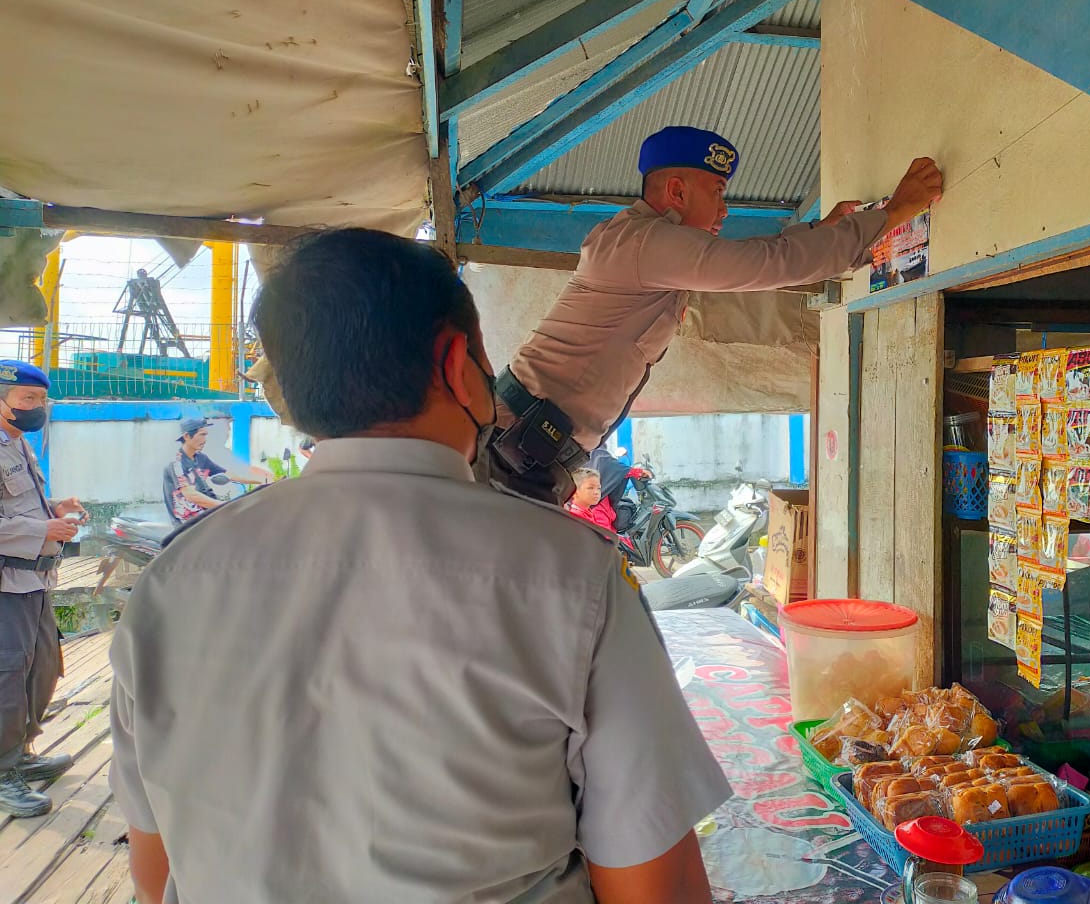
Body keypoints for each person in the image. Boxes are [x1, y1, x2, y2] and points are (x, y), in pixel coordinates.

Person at [110, 228, 729, 904]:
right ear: (458, 361)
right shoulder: (570, 575)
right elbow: (654, 889)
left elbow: (156, 871)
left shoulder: (171, 583)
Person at [477, 126, 943, 503]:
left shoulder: (648, 247)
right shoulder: (643, 243)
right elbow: (762, 264)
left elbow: (753, 258)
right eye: (717, 191)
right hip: (518, 449)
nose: (724, 209)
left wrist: (822, 230)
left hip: (533, 449)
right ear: (677, 190)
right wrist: (896, 211)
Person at [0, 360, 85, 817]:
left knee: (43, 666)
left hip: (35, 578)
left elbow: (19, 505)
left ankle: (22, 754)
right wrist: (44, 528)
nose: (35, 408)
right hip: (7, 583)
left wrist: (56, 508)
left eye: (39, 400)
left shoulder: (17, 445)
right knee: (7, 677)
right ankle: (2, 771)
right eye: (26, 400)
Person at [161, 417, 269, 524]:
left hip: (205, 517)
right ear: (187, 436)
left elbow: (228, 474)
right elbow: (190, 494)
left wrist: (262, 480)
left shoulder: (201, 458)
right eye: (201, 435)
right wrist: (222, 505)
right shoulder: (176, 463)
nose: (205, 440)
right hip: (186, 523)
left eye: (206, 435)